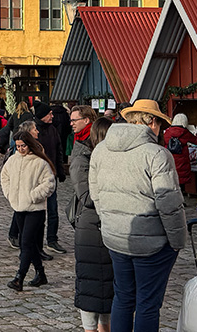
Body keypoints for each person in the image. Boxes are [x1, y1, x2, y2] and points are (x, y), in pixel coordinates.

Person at [89, 100, 186, 332]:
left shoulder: (101, 149)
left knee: (123, 297)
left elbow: (96, 193)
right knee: (147, 303)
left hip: (116, 236)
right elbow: (169, 204)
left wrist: (109, 221)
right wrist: (177, 241)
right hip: (151, 242)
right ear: (153, 122)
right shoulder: (157, 154)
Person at [71, 116, 113, 332]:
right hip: (90, 228)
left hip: (108, 226)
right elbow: (86, 197)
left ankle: (104, 326)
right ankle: (89, 328)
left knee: (108, 285)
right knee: (90, 284)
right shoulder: (82, 160)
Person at [0, 131, 56, 291]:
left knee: (25, 243)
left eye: (23, 146)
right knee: (29, 244)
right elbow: (4, 176)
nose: (20, 149)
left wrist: (33, 196)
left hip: (35, 209)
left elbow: (49, 183)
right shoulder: (13, 160)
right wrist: (10, 194)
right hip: (19, 207)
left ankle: (20, 277)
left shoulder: (39, 162)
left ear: (29, 144)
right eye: (17, 146)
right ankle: (41, 273)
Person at [33, 102, 65, 254]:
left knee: (53, 210)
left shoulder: (52, 130)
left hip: (52, 175)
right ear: (42, 116)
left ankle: (52, 239)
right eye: (49, 114)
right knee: (35, 210)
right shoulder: (33, 130)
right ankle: (30, 240)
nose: (52, 116)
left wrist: (60, 170)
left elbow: (58, 151)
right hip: (37, 177)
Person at [162, 113, 197, 193]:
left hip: (170, 158)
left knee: (172, 179)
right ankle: (181, 199)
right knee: (181, 181)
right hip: (182, 160)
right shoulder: (185, 132)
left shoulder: (167, 132)